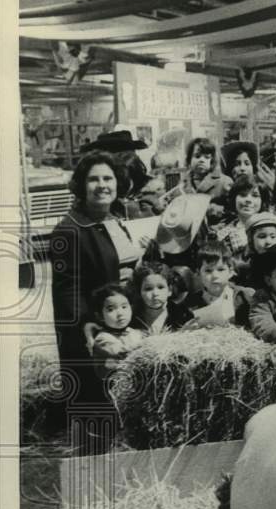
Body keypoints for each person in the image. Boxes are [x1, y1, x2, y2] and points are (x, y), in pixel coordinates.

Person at [50, 151, 136, 395]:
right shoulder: (69, 229)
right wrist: (89, 325)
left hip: (123, 319)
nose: (102, 185)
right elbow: (68, 290)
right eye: (93, 179)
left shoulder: (115, 220)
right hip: (97, 329)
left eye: (108, 179)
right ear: (81, 186)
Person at [183, 239, 254, 327]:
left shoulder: (245, 296)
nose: (215, 276)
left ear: (231, 272)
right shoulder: (191, 303)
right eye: (208, 270)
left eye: (220, 269)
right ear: (198, 274)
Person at [83, 283, 145, 380]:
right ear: (100, 316)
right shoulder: (102, 338)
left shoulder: (134, 332)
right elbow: (119, 352)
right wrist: (144, 345)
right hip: (116, 383)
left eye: (124, 307)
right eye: (111, 309)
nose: (120, 313)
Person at [215, 174, 270, 273]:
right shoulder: (223, 235)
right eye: (243, 195)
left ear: (263, 201)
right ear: (234, 199)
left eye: (255, 195)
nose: (248, 200)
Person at [129, 262, 194, 334]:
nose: (155, 294)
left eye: (160, 287)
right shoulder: (130, 317)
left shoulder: (183, 315)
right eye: (148, 289)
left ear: (169, 290)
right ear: (139, 292)